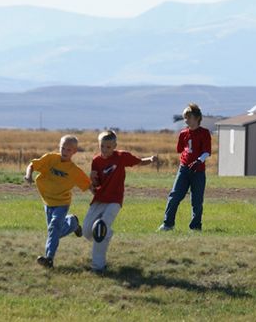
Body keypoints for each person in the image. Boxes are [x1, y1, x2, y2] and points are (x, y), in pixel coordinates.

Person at [83, 130, 157, 272]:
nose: (105, 150)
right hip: (99, 199)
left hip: (114, 201)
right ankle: (108, 234)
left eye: (108, 147)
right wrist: (92, 180)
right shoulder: (96, 161)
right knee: (87, 232)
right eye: (102, 146)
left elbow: (139, 162)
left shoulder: (122, 157)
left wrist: (151, 160)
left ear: (115, 145)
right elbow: (95, 185)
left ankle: (98, 266)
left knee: (100, 229)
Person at [24, 135, 92, 268]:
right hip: (47, 202)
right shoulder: (50, 159)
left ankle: (49, 259)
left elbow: (88, 185)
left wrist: (99, 198)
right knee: (54, 231)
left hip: (62, 203)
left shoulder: (74, 170)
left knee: (54, 228)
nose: (65, 152)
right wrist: (28, 175)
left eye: (68, 150)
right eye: (63, 148)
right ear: (59, 147)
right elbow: (32, 165)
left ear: (74, 152)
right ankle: (72, 223)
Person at [159, 103, 212, 231]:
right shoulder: (183, 133)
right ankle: (168, 224)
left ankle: (195, 226)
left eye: (188, 117)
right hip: (184, 170)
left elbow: (207, 151)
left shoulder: (204, 133)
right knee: (174, 196)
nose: (186, 120)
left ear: (196, 118)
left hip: (198, 171)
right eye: (185, 118)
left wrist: (199, 160)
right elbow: (180, 150)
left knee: (197, 200)